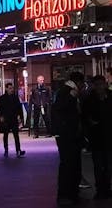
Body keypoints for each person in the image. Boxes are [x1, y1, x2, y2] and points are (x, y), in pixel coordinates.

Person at [51, 72, 85, 206]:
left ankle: (72, 193)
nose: (83, 86)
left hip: (70, 134)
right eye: (82, 83)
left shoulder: (69, 92)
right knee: (68, 163)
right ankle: (66, 194)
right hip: (67, 134)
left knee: (73, 163)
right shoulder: (67, 92)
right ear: (78, 82)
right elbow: (60, 109)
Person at [82, 75, 112, 199]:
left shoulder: (110, 96)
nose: (100, 87)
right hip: (97, 137)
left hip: (109, 136)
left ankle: (107, 188)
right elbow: (85, 117)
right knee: (99, 165)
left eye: (101, 84)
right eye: (97, 85)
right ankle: (100, 189)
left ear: (105, 84)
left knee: (109, 165)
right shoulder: (90, 99)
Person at [0, 83, 26, 158]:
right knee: (5, 135)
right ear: (6, 89)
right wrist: (1, 117)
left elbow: (19, 107)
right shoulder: (2, 98)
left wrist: (21, 117)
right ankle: (6, 150)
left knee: (16, 135)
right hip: (6, 119)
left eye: (12, 88)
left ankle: (18, 150)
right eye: (10, 88)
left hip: (13, 118)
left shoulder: (15, 97)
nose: (11, 90)